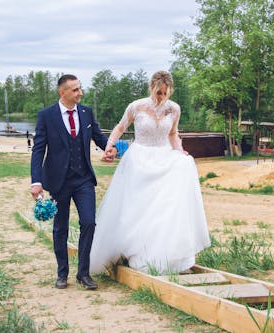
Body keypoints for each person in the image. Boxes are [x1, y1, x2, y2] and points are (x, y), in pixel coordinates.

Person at [90, 70, 211, 275]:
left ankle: (164, 253)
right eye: (158, 92)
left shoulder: (174, 109)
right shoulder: (136, 106)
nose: (160, 97)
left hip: (163, 156)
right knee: (136, 207)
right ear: (151, 88)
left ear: (170, 91)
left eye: (164, 93)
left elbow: (173, 134)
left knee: (164, 203)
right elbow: (120, 127)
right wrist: (109, 146)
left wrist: (180, 151)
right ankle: (132, 250)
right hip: (139, 159)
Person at [30, 74, 117, 290]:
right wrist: (36, 181)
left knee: (89, 222)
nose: (80, 93)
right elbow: (39, 149)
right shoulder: (46, 116)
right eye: (75, 90)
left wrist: (110, 148)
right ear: (63, 92)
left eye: (80, 88)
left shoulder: (86, 112)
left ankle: (83, 273)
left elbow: (98, 136)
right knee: (60, 228)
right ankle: (62, 273)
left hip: (84, 179)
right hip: (58, 181)